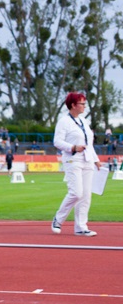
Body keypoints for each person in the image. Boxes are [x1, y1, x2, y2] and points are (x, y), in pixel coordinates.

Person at [51, 92, 101, 237]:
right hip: (73, 159)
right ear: (73, 105)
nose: (84, 106)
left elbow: (89, 143)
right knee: (76, 192)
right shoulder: (64, 121)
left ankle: (81, 227)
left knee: (86, 195)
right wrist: (73, 147)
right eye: (82, 103)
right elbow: (57, 141)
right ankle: (58, 219)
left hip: (87, 160)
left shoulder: (84, 121)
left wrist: (96, 159)